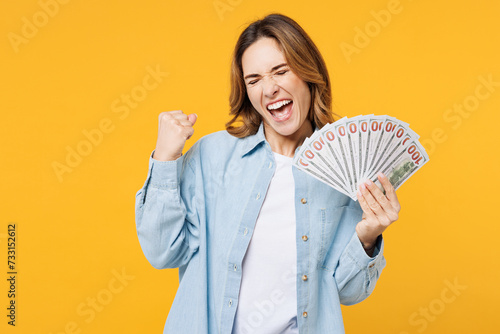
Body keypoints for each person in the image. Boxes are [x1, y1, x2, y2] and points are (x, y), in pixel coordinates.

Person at [135, 13, 401, 334]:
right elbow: (163, 252)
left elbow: (347, 292)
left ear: (307, 74)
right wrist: (165, 158)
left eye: (281, 71)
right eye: (254, 79)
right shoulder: (212, 157)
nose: (270, 88)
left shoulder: (345, 171)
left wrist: (368, 236)